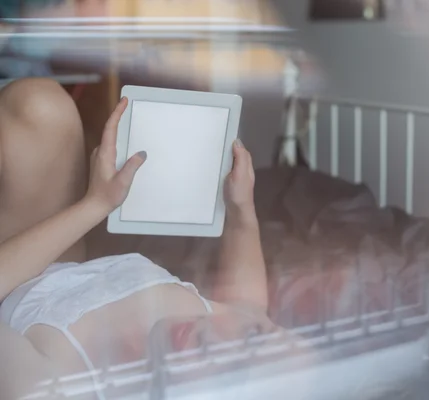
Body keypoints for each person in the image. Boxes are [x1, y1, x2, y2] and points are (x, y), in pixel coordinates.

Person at [0, 78, 279, 400]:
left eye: (232, 376)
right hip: (66, 259)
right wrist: (241, 208)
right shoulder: (230, 325)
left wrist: (97, 204)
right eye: (254, 338)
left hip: (13, 272)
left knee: (35, 105)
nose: (218, 334)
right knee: (41, 102)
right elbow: (251, 306)